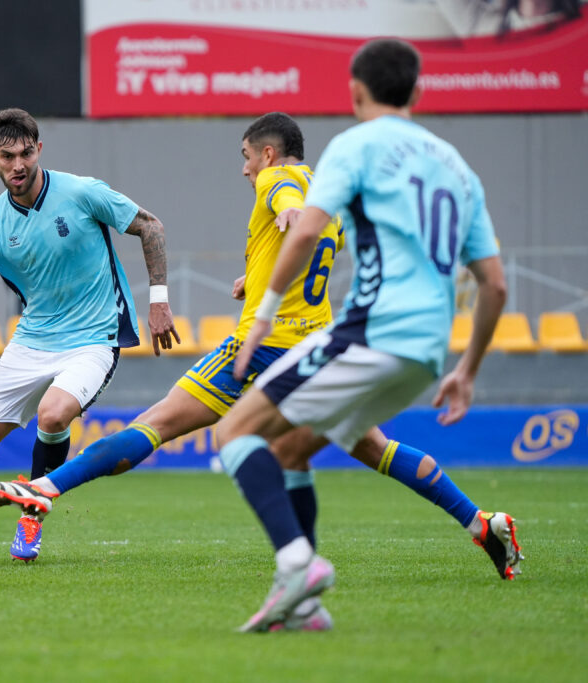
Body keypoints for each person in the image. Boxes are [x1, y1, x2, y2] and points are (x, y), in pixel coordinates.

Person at [0, 106, 522, 629]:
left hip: (260, 348)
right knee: (371, 448)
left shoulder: (276, 181)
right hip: (314, 348)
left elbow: (285, 206)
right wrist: (254, 277)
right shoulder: (333, 190)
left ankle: (46, 485)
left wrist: (283, 212)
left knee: (158, 424)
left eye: (247, 157)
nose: (244, 169)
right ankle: (482, 524)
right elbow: (316, 251)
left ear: (267, 152)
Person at [211, 38, 512, 632]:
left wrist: (264, 314)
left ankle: (299, 562)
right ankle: (304, 606)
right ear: (419, 93)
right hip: (429, 353)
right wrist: (467, 370)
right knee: (293, 449)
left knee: (233, 431)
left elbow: (303, 233)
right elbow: (495, 286)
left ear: (354, 91)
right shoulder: (457, 167)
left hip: (371, 330)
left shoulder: (355, 145)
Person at [0, 107, 180, 565]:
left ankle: (31, 515)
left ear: (39, 149)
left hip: (94, 335)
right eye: (7, 156)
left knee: (54, 413)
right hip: (33, 339)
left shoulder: (81, 192)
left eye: (26, 153)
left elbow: (150, 225)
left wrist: (158, 300)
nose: (18, 165)